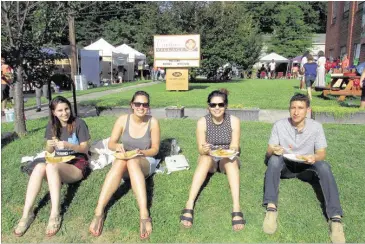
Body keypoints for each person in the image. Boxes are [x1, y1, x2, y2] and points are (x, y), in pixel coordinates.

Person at [262, 94, 345, 243]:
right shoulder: (279, 125)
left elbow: (321, 153)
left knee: (324, 166)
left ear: (308, 110)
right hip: (285, 167)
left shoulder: (316, 127)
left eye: (300, 108)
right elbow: (268, 151)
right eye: (293, 108)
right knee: (274, 161)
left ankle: (336, 219)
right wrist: (273, 151)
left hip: (306, 167)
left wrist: (315, 158)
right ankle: (271, 208)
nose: (296, 112)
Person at [13, 96, 91, 237]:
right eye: (60, 110)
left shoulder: (79, 123)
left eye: (66, 109)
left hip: (76, 164)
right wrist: (49, 146)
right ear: (54, 112)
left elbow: (85, 149)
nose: (64, 113)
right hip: (58, 161)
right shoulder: (51, 125)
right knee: (39, 167)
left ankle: (55, 213)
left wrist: (69, 145)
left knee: (51, 167)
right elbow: (49, 151)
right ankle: (26, 214)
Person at [89, 91, 160, 240]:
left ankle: (144, 214)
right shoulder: (122, 120)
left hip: (144, 160)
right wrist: (117, 147)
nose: (141, 107)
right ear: (132, 105)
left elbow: (155, 149)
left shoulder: (152, 122)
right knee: (121, 161)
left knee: (133, 161)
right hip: (125, 160)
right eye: (138, 104)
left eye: (145, 104)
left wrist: (141, 152)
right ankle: (99, 211)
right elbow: (111, 143)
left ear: (148, 106)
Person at [180, 89, 245, 231]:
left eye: (220, 105)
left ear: (226, 105)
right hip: (210, 156)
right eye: (213, 105)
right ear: (208, 106)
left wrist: (230, 151)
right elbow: (200, 149)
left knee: (231, 161)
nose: (217, 108)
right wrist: (205, 149)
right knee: (204, 159)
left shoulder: (234, 121)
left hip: (226, 157)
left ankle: (236, 206)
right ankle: (189, 203)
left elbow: (235, 145)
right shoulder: (202, 122)